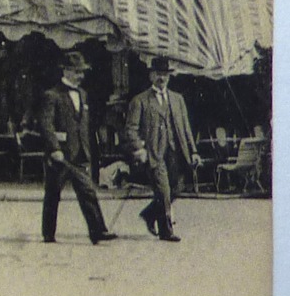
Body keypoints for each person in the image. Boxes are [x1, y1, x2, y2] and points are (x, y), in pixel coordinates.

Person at [38, 50, 116, 245]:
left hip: (80, 153)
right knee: (53, 194)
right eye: (76, 71)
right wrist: (54, 148)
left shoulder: (83, 94)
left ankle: (98, 231)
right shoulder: (52, 95)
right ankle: (48, 233)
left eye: (82, 72)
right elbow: (46, 124)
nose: (80, 75)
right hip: (60, 155)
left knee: (88, 191)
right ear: (65, 71)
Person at [122, 56, 200, 243]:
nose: (161, 78)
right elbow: (130, 129)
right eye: (158, 74)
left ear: (169, 77)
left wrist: (194, 151)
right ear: (151, 76)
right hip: (154, 153)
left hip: (176, 151)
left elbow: (186, 128)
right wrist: (139, 148)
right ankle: (166, 231)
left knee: (178, 187)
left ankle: (149, 214)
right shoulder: (140, 101)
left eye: (165, 75)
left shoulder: (177, 99)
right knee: (164, 191)